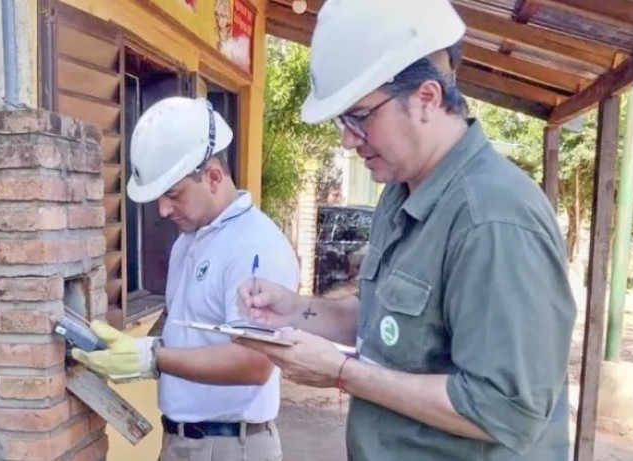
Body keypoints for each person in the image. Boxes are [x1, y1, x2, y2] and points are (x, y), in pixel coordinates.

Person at [235, 1, 577, 460]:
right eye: (343, 121)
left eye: (359, 115)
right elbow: (389, 322)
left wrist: (340, 372)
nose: (347, 139)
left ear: (427, 99)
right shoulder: (402, 193)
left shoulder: (494, 218)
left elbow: (505, 409)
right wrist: (295, 311)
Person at [71, 96, 299, 461]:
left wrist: (152, 358)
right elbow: (185, 325)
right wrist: (124, 349)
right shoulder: (190, 240)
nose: (162, 210)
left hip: (230, 446)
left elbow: (256, 363)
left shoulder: (255, 247)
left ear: (212, 176)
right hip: (181, 440)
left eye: (173, 195)